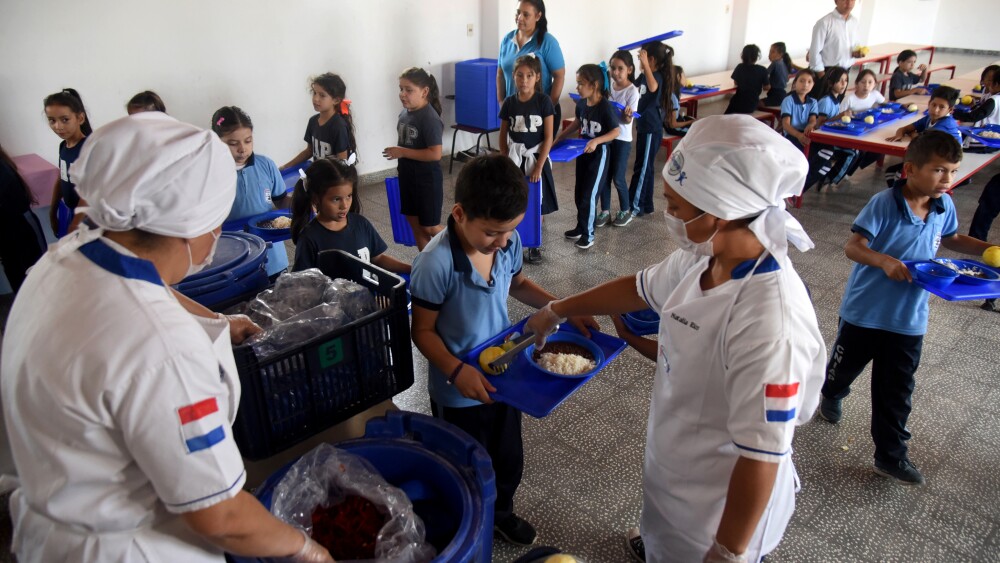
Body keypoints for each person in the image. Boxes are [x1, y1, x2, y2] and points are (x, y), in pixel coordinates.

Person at [1, 112, 331, 562]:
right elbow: (223, 518)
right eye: (217, 221)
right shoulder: (161, 350)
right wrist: (307, 550)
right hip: (131, 547)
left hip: (55, 522)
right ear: (193, 227)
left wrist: (218, 319)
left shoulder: (64, 257)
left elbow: (149, 292)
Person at [525, 115, 825, 563]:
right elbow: (638, 288)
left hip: (718, 509)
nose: (668, 215)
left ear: (720, 212)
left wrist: (726, 551)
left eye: (676, 206)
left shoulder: (771, 324)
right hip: (677, 457)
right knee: (660, 536)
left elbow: (762, 455)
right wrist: (559, 308)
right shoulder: (703, 256)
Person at [409, 153, 596, 548]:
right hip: (457, 390)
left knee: (507, 458)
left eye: (510, 231)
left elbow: (518, 284)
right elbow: (422, 331)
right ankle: (466, 526)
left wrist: (565, 308)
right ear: (459, 214)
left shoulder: (507, 245)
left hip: (503, 373)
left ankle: (501, 514)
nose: (504, 240)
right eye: (493, 232)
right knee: (462, 465)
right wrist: (457, 371)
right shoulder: (435, 263)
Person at [817, 131, 996, 485]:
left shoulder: (943, 205)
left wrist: (988, 249)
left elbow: (953, 239)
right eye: (940, 171)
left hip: (909, 320)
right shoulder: (884, 203)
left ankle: (891, 456)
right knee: (843, 369)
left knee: (896, 391)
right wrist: (883, 261)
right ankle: (832, 392)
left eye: (953, 172)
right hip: (864, 313)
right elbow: (854, 247)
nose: (948, 179)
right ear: (911, 169)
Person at [290, 157, 410, 275]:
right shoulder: (309, 238)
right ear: (316, 199)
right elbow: (302, 282)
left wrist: (410, 268)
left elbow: (377, 259)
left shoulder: (361, 224)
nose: (344, 205)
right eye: (336, 199)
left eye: (349, 196)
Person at [211, 106, 290, 279]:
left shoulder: (266, 165)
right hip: (234, 257)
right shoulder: (211, 174)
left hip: (273, 255)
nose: (242, 149)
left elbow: (282, 199)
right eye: (233, 143)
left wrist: (302, 203)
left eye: (248, 141)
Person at [553, 64, 620, 250]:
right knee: (579, 194)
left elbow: (616, 131)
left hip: (599, 156)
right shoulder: (582, 104)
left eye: (581, 83)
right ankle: (581, 226)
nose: (577, 88)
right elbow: (576, 123)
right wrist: (559, 137)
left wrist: (597, 141)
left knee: (589, 196)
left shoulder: (604, 107)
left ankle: (589, 234)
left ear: (594, 85)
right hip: (582, 153)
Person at [499, 54, 557, 263]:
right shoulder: (509, 102)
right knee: (514, 200)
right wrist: (505, 157)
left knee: (536, 203)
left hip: (535, 158)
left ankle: (534, 244)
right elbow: (503, 133)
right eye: (520, 75)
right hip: (516, 158)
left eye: (529, 75)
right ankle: (514, 241)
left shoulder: (543, 101)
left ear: (537, 77)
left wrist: (539, 166)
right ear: (513, 76)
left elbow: (549, 136)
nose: (524, 80)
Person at [383, 67, 445, 251]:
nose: (402, 94)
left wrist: (401, 152)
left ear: (425, 91)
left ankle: (464, 251)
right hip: (408, 177)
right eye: (401, 89)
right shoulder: (405, 113)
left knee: (430, 226)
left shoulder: (429, 117)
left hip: (427, 181)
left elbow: (435, 153)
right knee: (415, 224)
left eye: (408, 90)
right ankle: (425, 265)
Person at [497, 0, 566, 135]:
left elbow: (559, 76)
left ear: (538, 16)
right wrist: (502, 102)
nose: (520, 18)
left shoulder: (547, 42)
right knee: (512, 153)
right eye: (518, 13)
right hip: (514, 111)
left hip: (538, 115)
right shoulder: (507, 39)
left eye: (526, 14)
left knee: (539, 154)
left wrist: (548, 107)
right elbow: (500, 73)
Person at [627, 42, 673, 221]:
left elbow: (653, 88)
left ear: (650, 59)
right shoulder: (644, 75)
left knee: (642, 167)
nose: (640, 61)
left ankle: (634, 205)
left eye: (642, 58)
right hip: (644, 126)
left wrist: (645, 65)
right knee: (646, 167)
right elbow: (632, 86)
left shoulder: (657, 76)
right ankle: (646, 204)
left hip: (651, 128)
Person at [43, 88, 92, 237]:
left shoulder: (88, 149)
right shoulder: (63, 146)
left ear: (80, 118)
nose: (58, 126)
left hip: (87, 217)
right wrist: (53, 211)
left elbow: (90, 192)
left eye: (65, 119)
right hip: (69, 210)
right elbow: (62, 177)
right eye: (52, 120)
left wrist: (76, 224)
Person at [599, 50, 639, 229]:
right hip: (608, 137)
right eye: (613, 68)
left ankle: (626, 210)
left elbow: (628, 120)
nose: (615, 72)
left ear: (629, 69)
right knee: (605, 176)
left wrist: (626, 115)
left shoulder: (632, 91)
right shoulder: (608, 88)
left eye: (620, 69)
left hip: (622, 140)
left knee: (618, 177)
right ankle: (605, 211)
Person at [283, 72, 357, 170]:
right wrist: (285, 167)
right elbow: (309, 151)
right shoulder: (313, 121)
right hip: (319, 177)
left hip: (334, 181)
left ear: (336, 100)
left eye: (322, 95)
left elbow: (342, 163)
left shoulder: (338, 126)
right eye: (314, 93)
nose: (315, 99)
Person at [0, 144, 46, 293]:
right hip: (9, 230)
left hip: (20, 228)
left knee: (34, 276)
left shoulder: (3, 170)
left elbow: (16, 203)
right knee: (15, 274)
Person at [802, 67, 854, 193]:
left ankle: (805, 187)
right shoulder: (826, 101)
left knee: (826, 167)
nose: (843, 84)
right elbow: (819, 125)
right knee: (838, 154)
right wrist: (840, 116)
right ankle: (800, 189)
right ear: (830, 83)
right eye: (840, 80)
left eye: (846, 80)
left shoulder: (835, 100)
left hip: (827, 140)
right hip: (817, 141)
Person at [809, 0, 862, 77]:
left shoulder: (855, 22)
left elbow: (855, 44)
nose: (849, 2)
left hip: (846, 70)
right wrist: (822, 75)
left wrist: (856, 53)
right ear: (836, 1)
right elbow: (814, 52)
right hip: (827, 71)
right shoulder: (824, 22)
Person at [780, 70, 818, 151]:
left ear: (813, 85)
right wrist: (799, 135)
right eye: (801, 81)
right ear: (794, 83)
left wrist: (810, 125)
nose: (805, 84)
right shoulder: (788, 100)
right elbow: (785, 124)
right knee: (806, 151)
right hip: (792, 135)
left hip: (806, 134)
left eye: (809, 82)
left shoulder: (813, 102)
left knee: (824, 150)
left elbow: (813, 120)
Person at [725, 44, 769, 115]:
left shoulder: (740, 67)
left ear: (743, 56)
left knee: (726, 116)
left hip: (738, 103)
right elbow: (766, 87)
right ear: (756, 57)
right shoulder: (762, 69)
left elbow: (736, 82)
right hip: (752, 104)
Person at [663, 65, 696, 138]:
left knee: (698, 122)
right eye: (684, 75)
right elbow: (673, 124)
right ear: (678, 77)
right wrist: (689, 122)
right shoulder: (672, 97)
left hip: (670, 124)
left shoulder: (671, 93)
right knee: (698, 130)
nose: (685, 78)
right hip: (673, 128)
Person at [764, 42, 793, 106]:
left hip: (776, 95)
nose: (769, 54)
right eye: (769, 52)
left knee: (755, 104)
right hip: (782, 95)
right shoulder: (784, 63)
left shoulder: (775, 63)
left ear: (780, 54)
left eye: (772, 52)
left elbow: (764, 74)